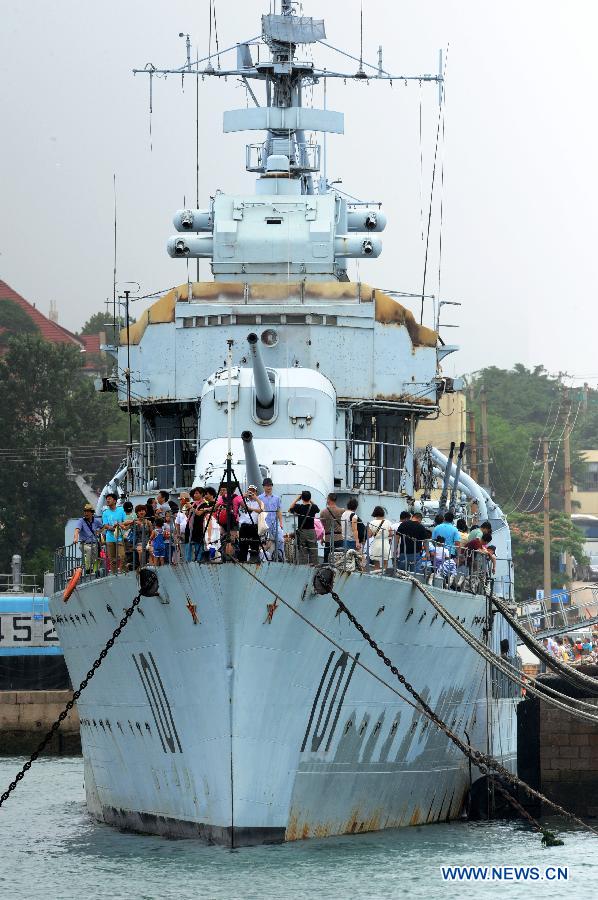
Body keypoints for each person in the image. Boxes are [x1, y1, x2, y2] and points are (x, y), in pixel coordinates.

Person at [289, 490, 320, 565]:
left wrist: (297, 498)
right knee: (313, 551)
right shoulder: (313, 507)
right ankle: (315, 567)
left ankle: (303, 568)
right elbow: (318, 509)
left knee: (303, 552)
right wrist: (310, 500)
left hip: (302, 532)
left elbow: (290, 509)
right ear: (310, 498)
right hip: (311, 532)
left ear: (302, 498)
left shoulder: (299, 507)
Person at [238, 485, 264, 562]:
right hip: (244, 527)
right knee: (243, 547)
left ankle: (255, 561)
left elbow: (262, 508)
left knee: (254, 547)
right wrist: (244, 495)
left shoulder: (258, 502)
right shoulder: (243, 501)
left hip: (254, 526)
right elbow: (236, 501)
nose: (251, 493)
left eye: (253, 491)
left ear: (256, 492)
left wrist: (255, 497)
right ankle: (242, 562)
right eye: (250, 491)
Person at [259, 478, 284, 559]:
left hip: (274, 523)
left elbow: (278, 511)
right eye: (267, 485)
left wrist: (281, 523)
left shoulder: (277, 498)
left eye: (270, 485)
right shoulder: (260, 498)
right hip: (264, 524)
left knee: (280, 539)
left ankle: (280, 556)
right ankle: (262, 557)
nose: (269, 487)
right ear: (263, 487)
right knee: (263, 542)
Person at [73, 503, 102, 573]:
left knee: (96, 557)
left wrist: (100, 532)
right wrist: (76, 538)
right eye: (85, 511)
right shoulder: (81, 521)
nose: (86, 513)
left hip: (94, 543)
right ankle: (87, 569)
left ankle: (95, 571)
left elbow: (103, 527)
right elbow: (77, 530)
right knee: (89, 550)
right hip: (84, 544)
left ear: (92, 513)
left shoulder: (96, 521)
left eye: (88, 511)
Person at [101, 493, 126, 573]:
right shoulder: (105, 513)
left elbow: (125, 522)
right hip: (110, 538)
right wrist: (112, 528)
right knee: (112, 559)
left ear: (115, 501)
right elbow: (105, 525)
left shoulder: (121, 510)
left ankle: (122, 571)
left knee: (122, 556)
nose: (107, 500)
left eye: (109, 499)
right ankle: (114, 574)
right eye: (107, 499)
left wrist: (119, 525)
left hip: (120, 537)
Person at [319, 493, 344, 562]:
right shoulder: (342, 511)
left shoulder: (323, 512)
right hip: (339, 537)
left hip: (328, 538)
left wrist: (322, 538)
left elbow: (323, 526)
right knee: (339, 559)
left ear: (329, 500)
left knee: (327, 559)